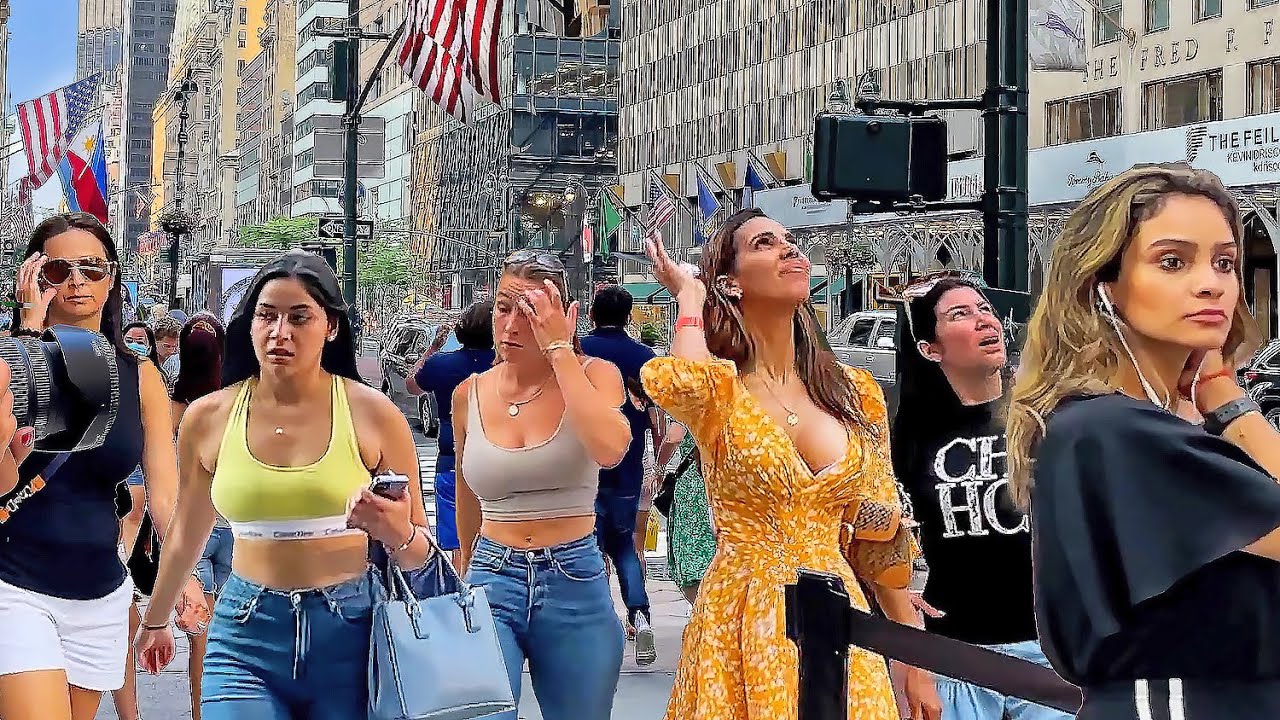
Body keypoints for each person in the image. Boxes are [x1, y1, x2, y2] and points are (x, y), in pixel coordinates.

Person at [641, 208, 941, 720]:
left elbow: (877, 535)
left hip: (839, 611)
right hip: (742, 615)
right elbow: (684, 383)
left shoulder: (853, 393)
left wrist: (915, 660)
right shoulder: (722, 390)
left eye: (789, 239)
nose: (789, 248)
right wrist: (689, 295)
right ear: (730, 283)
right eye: (764, 243)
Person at [1007, 164, 1280, 719]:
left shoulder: (1131, 425)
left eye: (1225, 262)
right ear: (1104, 284)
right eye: (1172, 261)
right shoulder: (1114, 431)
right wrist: (1226, 397)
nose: (1211, 284)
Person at [133, 250, 434, 719]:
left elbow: (421, 553)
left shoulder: (373, 413)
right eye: (267, 316)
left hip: (350, 633)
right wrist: (156, 618)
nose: (280, 332)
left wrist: (396, 531)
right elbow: (187, 530)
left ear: (331, 326)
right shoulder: (209, 417)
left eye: (299, 317)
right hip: (243, 632)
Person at [0, 213, 198, 720]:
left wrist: (183, 578)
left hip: (100, 595)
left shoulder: (140, 374)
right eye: (58, 269)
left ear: (112, 279)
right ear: (32, 276)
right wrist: (29, 333)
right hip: (15, 583)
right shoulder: (8, 360)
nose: (77, 281)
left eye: (92, 268)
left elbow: (165, 496)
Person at [454, 250, 630, 720]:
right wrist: (464, 568)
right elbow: (467, 496)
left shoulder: (595, 374)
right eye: (503, 308)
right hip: (491, 573)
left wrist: (560, 351)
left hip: (573, 574)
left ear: (562, 317)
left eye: (530, 313)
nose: (511, 325)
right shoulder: (469, 393)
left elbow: (610, 449)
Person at [891, 274, 1069, 720]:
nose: (984, 320)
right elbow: (873, 522)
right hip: (958, 653)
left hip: (1051, 652)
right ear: (930, 349)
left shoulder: (1043, 418)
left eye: (985, 309)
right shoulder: (910, 436)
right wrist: (893, 597)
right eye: (960, 314)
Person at [579, 285, 658, 665]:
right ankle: (639, 616)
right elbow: (656, 414)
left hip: (584, 464)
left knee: (587, 546)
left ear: (591, 314)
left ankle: (597, 623)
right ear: (628, 317)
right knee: (624, 544)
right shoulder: (644, 358)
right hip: (628, 465)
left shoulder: (579, 352)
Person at [406, 300, 496, 568]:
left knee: (460, 543)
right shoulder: (504, 365)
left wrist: (433, 348)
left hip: (452, 459)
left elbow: (412, 386)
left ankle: (463, 585)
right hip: (499, 459)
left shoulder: (441, 364)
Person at [168, 313, 228, 720]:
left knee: (201, 640)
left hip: (196, 531)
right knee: (230, 638)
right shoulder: (239, 402)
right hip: (234, 527)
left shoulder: (175, 407)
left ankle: (200, 713)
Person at [658, 422, 714, 607]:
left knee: (691, 555)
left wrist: (659, 468)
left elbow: (673, 438)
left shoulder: (687, 406)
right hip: (718, 480)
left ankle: (702, 610)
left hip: (693, 485)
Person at [152, 315, 181, 390]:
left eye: (174, 346)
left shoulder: (176, 361)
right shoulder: (143, 362)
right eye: (167, 346)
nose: (171, 351)